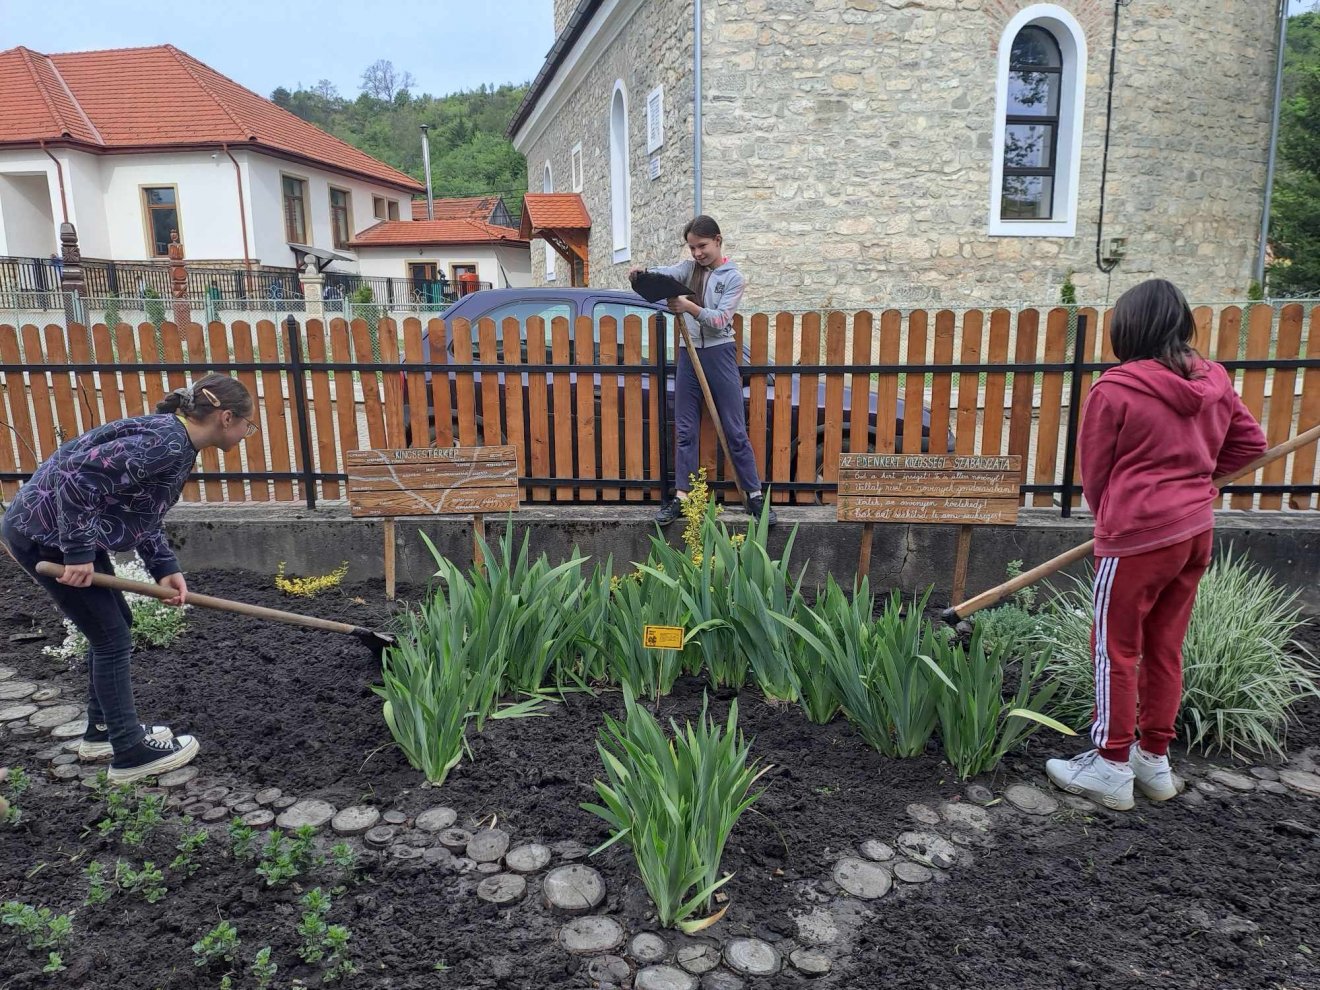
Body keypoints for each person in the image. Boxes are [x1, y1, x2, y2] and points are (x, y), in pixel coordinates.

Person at [1045, 279, 1267, 810]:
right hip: (1194, 533)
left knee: (1114, 650)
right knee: (1165, 647)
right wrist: (1198, 482)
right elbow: (1250, 444)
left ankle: (1110, 765)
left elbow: (1096, 475)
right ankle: (1154, 761)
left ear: (1128, 329)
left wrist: (1115, 522)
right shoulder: (1213, 379)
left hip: (1137, 539)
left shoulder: (1115, 389)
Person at [1, 375, 258, 784]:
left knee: (117, 624)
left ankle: (102, 731)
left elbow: (139, 511)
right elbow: (75, 479)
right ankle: (129, 753)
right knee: (110, 637)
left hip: (54, 532)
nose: (248, 433)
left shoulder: (173, 440)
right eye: (249, 424)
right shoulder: (167, 444)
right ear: (227, 418)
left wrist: (164, 568)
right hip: (45, 537)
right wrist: (79, 553)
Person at [630, 215, 774, 526]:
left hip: (720, 354)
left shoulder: (734, 277)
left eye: (702, 246)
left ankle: (754, 495)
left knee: (735, 429)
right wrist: (642, 273)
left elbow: (721, 319)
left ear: (718, 241)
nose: (697, 253)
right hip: (689, 354)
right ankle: (682, 498)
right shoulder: (689, 269)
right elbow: (665, 274)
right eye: (692, 247)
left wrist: (689, 307)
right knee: (685, 430)